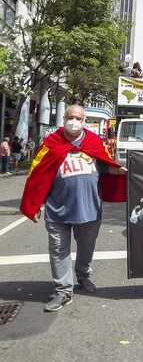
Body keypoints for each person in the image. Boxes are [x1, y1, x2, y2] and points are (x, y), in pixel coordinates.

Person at [19, 105, 127, 312]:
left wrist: (121, 170)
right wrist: (36, 202)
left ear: (84, 120)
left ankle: (83, 275)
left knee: (86, 248)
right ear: (64, 118)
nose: (74, 121)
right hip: (57, 210)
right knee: (58, 251)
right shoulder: (51, 143)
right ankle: (63, 291)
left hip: (89, 210)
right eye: (70, 117)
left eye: (78, 118)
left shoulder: (95, 143)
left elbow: (106, 166)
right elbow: (37, 174)